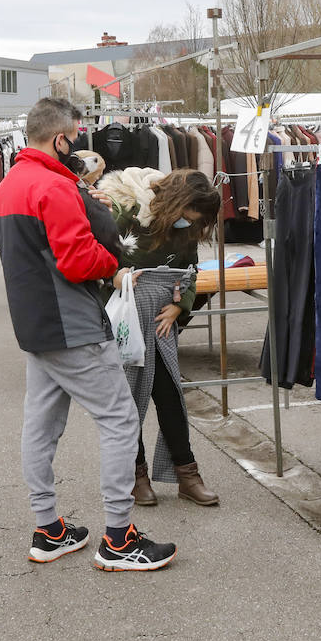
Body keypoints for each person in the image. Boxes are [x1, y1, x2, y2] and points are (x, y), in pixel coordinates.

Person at [0, 97, 176, 571]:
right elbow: (78, 261)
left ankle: (48, 528)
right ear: (59, 139)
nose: (76, 147)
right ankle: (119, 538)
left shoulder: (10, 183)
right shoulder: (53, 187)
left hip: (35, 324)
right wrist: (112, 258)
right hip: (70, 323)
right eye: (73, 139)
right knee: (119, 419)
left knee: (41, 425)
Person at [102, 168, 223, 507]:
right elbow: (96, 260)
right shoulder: (124, 213)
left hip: (161, 325)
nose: (189, 224)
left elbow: (191, 271)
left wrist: (179, 306)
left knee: (170, 397)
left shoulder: (185, 231)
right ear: (174, 203)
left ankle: (187, 475)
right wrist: (114, 276)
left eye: (196, 220)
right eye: (187, 215)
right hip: (123, 324)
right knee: (129, 401)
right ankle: (135, 474)